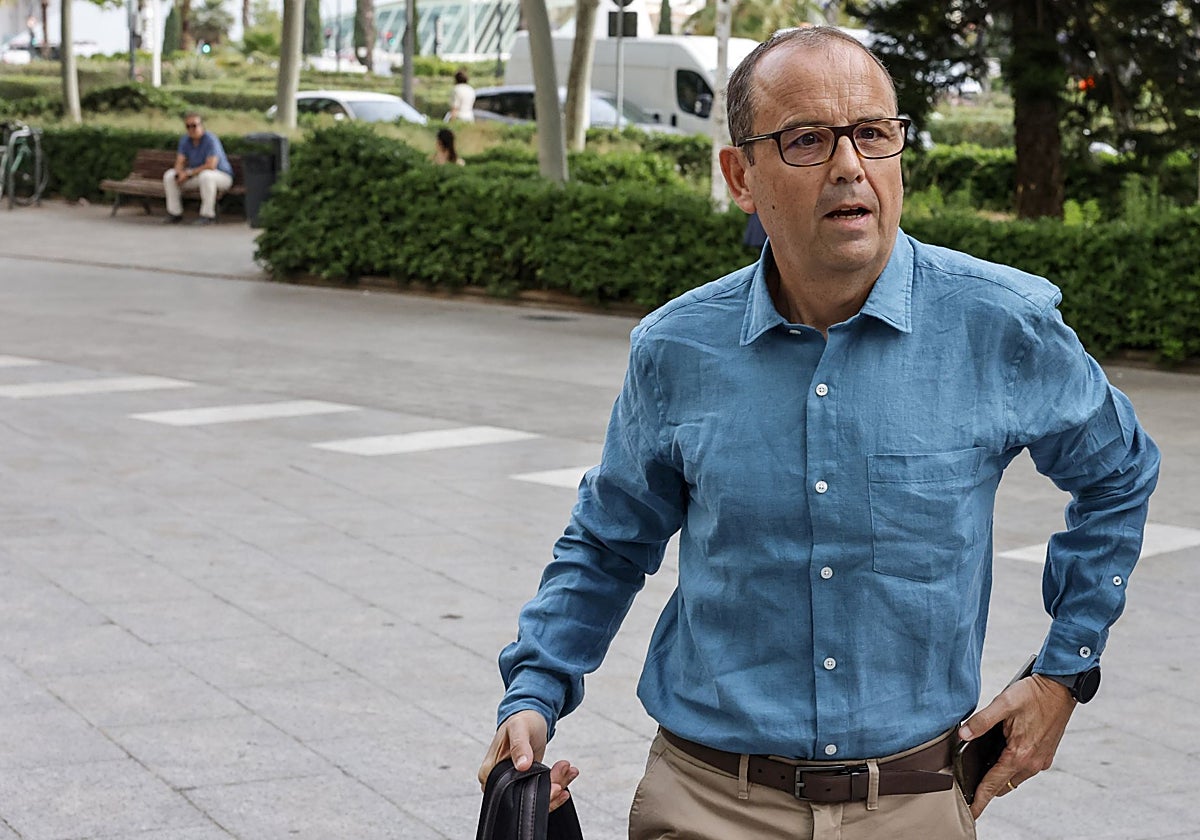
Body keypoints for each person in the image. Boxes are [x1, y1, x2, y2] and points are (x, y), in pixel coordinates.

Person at [478, 26, 1160, 840]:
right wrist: (534, 694)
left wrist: (1064, 671)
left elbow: (1119, 473)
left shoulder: (1000, 326)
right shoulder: (676, 348)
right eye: (807, 140)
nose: (850, 166)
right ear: (741, 175)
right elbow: (609, 541)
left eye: (874, 134)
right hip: (707, 802)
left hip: (914, 803)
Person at [162, 113, 234, 226]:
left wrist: (188, 173)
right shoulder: (185, 140)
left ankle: (208, 216)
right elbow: (180, 161)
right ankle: (175, 213)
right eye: (188, 126)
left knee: (207, 176)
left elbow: (211, 165)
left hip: (221, 176)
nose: (191, 129)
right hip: (197, 175)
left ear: (202, 126)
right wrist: (179, 173)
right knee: (170, 176)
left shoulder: (211, 140)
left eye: (194, 125)